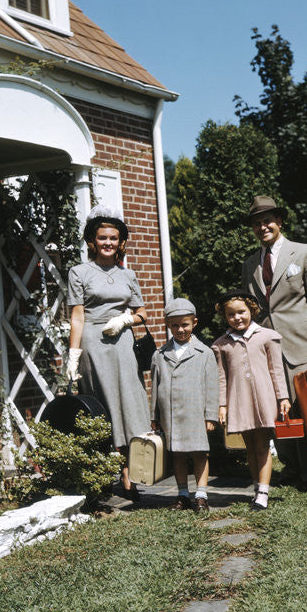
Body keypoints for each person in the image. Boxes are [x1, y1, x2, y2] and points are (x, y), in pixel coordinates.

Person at [241, 195, 307, 484]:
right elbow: (249, 309)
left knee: (304, 408)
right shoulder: (249, 264)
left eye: (267, 220)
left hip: (301, 343)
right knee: (275, 409)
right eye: (257, 223)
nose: (263, 227)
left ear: (279, 221)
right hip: (265, 347)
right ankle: (291, 467)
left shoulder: (305, 253)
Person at [66, 205, 151, 499]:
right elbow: (77, 316)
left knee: (128, 402)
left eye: (114, 238)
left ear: (121, 242)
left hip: (122, 340)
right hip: (93, 341)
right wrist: (73, 355)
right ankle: (102, 477)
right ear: (92, 241)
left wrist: (126, 319)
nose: (108, 243)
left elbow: (142, 312)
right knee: (101, 406)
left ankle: (130, 479)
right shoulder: (79, 272)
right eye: (102, 238)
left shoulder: (128, 275)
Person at [212, 290, 290, 510]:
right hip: (239, 400)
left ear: (252, 311)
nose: (237, 318)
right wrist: (222, 405)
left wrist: (282, 397)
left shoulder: (267, 336)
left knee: (263, 446)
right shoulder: (221, 344)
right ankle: (257, 487)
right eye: (231, 314)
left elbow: (276, 370)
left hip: (264, 399)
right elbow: (221, 378)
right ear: (225, 317)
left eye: (241, 312)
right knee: (250, 447)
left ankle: (263, 493)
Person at [150, 297, 218, 513]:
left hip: (195, 412)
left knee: (200, 453)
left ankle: (201, 495)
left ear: (194, 323)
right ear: (168, 326)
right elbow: (154, 386)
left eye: (185, 324)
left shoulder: (204, 353)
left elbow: (212, 387)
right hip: (170, 414)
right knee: (177, 454)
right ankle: (182, 495)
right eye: (175, 325)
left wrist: (211, 416)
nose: (180, 329)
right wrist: (154, 416)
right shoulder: (160, 355)